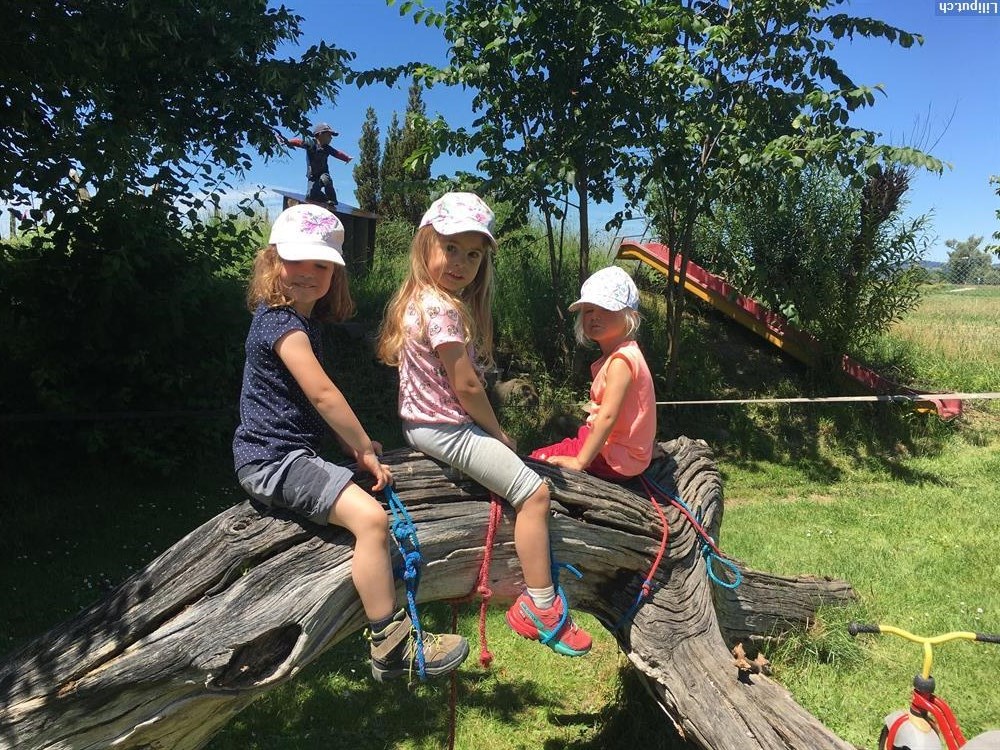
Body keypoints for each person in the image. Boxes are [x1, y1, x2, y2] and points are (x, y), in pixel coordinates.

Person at [233, 203, 469, 681]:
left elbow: (300, 402)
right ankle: (391, 644)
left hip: (287, 453)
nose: (309, 273)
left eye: (322, 265)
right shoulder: (280, 323)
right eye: (297, 260)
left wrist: (346, 448)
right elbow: (322, 393)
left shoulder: (300, 323)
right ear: (274, 261)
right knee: (371, 521)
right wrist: (360, 445)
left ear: (334, 276)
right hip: (273, 462)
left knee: (368, 503)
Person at [376, 192, 593, 658]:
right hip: (445, 427)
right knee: (534, 493)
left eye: (473, 254)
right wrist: (497, 435)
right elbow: (467, 386)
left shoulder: (419, 299)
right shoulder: (444, 309)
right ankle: (540, 605)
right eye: (451, 247)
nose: (461, 262)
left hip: (421, 424)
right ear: (425, 244)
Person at [531, 266, 656, 481]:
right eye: (589, 310)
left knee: (537, 461)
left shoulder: (620, 361)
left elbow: (607, 417)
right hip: (621, 453)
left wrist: (580, 461)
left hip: (615, 457)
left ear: (630, 316)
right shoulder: (624, 355)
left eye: (606, 309)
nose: (595, 316)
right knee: (560, 448)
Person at [280, 122, 352, 206]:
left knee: (326, 180)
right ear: (320, 134)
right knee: (310, 196)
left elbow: (337, 153)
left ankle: (333, 199)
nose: (331, 138)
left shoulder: (327, 148)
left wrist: (346, 158)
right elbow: (299, 142)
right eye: (329, 135)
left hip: (323, 173)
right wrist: (287, 142)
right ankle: (324, 199)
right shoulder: (310, 143)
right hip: (313, 176)